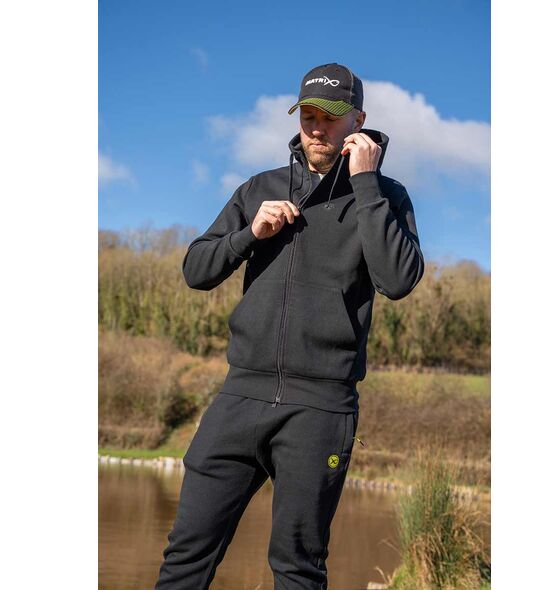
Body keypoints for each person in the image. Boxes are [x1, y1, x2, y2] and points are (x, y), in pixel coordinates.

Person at [155, 62, 425, 589]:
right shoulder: (259, 188)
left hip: (320, 409)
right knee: (185, 557)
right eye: (308, 117)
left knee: (298, 568)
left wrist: (366, 184)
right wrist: (249, 235)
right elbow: (195, 271)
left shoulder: (385, 196)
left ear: (358, 121)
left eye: (330, 117)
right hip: (239, 398)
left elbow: (397, 280)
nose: (317, 129)